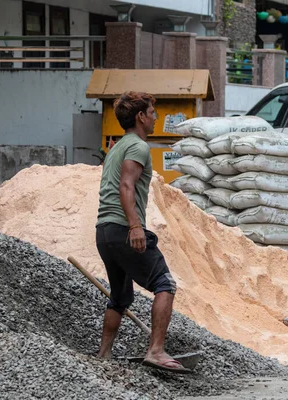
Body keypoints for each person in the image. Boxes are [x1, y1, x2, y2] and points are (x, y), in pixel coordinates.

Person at [95, 91, 188, 373]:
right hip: (124, 228)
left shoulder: (117, 147)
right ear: (140, 117)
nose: (155, 118)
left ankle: (103, 355)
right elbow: (127, 185)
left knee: (120, 297)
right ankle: (156, 351)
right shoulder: (137, 146)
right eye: (152, 113)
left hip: (105, 231)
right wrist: (136, 226)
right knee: (165, 283)